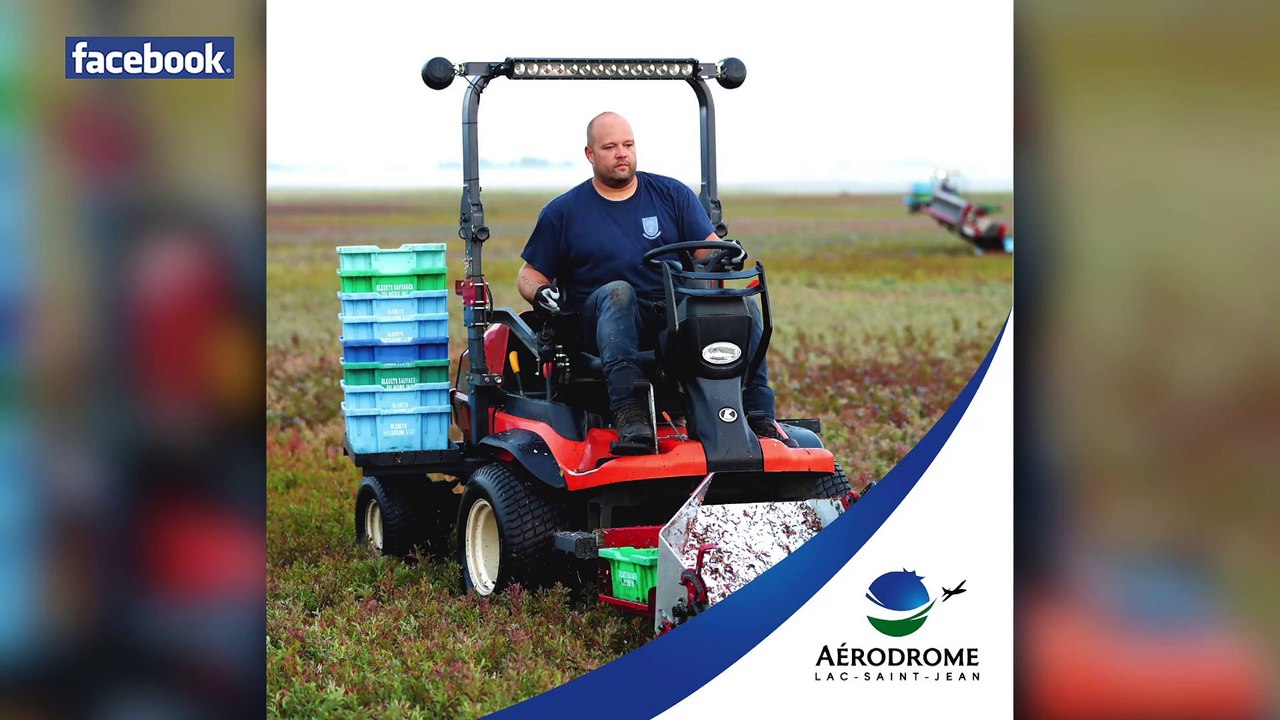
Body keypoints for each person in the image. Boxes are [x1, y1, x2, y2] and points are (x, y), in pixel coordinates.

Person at [516, 112, 794, 451]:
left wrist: (726, 254)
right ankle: (629, 413)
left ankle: (758, 414)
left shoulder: (671, 194)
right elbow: (529, 275)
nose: (622, 153)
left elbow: (706, 251)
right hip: (599, 323)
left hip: (668, 316)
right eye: (610, 147)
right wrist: (540, 291)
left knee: (742, 303)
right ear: (590, 155)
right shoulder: (563, 212)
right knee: (619, 293)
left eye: (628, 145)